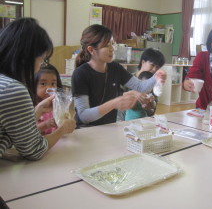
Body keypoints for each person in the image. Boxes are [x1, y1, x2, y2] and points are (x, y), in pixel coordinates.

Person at [0, 18, 76, 161]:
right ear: (25, 58)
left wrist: (35, 112)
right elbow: (34, 150)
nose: (40, 66)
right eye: (41, 59)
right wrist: (62, 130)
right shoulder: (12, 89)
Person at [72, 24, 166, 127]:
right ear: (91, 50)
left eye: (112, 44)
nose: (112, 49)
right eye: (107, 45)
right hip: (86, 130)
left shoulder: (115, 68)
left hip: (109, 127)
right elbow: (84, 116)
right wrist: (114, 103)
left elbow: (140, 86)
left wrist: (155, 77)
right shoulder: (80, 74)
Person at [117, 48, 166, 121]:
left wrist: (149, 107)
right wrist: (133, 96)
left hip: (141, 123)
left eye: (157, 67)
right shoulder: (127, 79)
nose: (154, 69)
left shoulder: (154, 84)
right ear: (143, 62)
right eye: (152, 65)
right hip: (120, 121)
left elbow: (151, 112)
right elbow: (116, 98)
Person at [35, 64, 63, 135]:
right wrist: (46, 125)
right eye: (43, 84)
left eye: (53, 83)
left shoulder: (57, 105)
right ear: (33, 85)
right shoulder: (32, 107)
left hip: (56, 142)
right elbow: (28, 131)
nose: (49, 88)